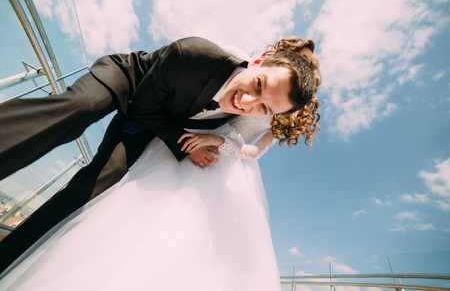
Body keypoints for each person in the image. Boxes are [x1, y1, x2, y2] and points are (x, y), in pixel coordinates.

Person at [0, 37, 321, 291]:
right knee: (80, 108)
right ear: (259, 62)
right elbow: (141, 105)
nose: (248, 103)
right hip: (132, 86)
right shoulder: (199, 54)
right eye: (259, 86)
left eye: (264, 108)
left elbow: (245, 143)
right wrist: (188, 149)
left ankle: (10, 258)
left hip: (155, 131)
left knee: (93, 189)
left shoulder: (249, 112)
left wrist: (216, 144)